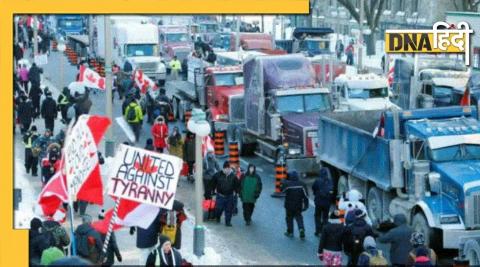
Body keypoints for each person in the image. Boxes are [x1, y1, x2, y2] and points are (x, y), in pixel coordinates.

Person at [281, 171, 309, 239]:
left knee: (289, 218)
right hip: (298, 205)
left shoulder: (288, 184)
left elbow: (282, 191)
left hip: (289, 205)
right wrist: (306, 205)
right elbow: (306, 196)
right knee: (299, 217)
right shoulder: (302, 184)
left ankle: (290, 232)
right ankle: (301, 229)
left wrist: (283, 182)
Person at [212, 161, 240, 226]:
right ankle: (218, 217)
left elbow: (237, 185)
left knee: (229, 210)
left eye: (228, 168)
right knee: (218, 208)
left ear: (230, 168)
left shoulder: (233, 176)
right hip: (220, 195)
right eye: (225, 168)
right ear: (223, 168)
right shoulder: (218, 175)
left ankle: (228, 222)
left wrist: (237, 192)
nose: (227, 170)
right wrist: (212, 190)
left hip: (229, 196)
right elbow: (213, 182)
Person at [312, 167, 333, 236]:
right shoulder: (330, 181)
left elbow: (314, 188)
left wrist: (316, 193)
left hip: (319, 201)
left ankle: (318, 230)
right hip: (327, 202)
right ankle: (325, 231)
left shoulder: (317, 180)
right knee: (325, 217)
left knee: (317, 216)